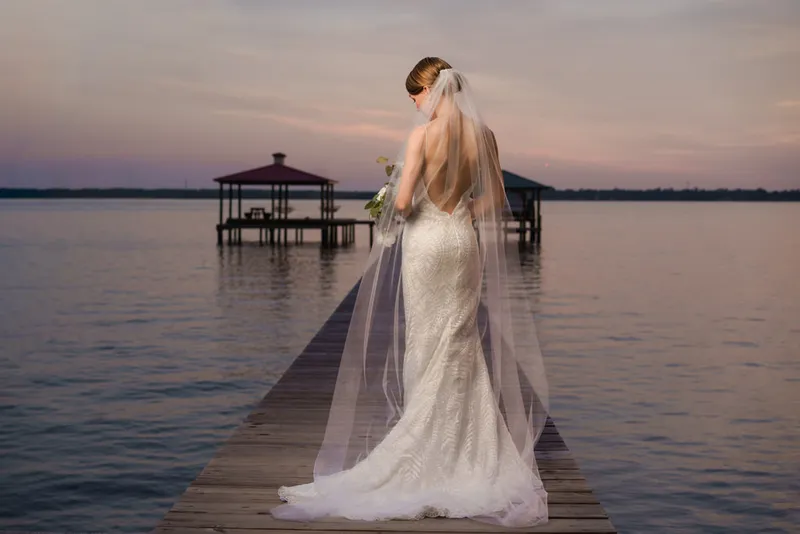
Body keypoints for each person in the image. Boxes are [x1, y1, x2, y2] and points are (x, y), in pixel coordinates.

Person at [272, 57, 550, 528]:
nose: (416, 107)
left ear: (430, 90)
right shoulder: (484, 135)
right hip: (462, 241)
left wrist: (388, 201)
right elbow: (497, 195)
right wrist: (461, 209)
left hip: (426, 245)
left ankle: (424, 452)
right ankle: (472, 455)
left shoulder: (423, 136)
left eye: (415, 96)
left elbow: (402, 202)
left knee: (426, 338)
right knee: (459, 342)